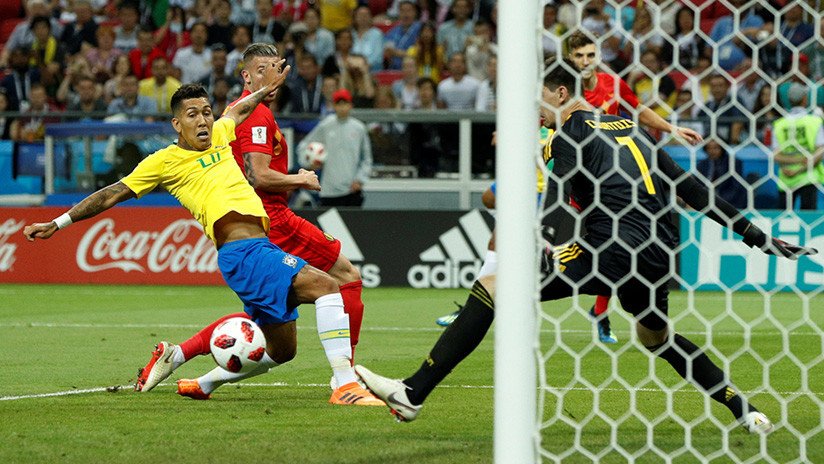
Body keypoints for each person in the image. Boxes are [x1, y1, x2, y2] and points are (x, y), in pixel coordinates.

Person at [355, 61, 816, 431]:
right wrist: (757, 236)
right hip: (660, 252)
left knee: (494, 286)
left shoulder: (568, 133)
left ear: (560, 94)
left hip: (611, 247)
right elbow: (692, 189)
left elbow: (558, 198)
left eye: (536, 98)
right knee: (656, 337)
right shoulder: (631, 127)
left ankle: (412, 392)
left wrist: (548, 244)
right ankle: (745, 410)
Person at [24, 66, 382, 405]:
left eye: (207, 112)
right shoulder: (163, 162)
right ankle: (345, 385)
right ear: (177, 124)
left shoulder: (221, 135)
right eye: (192, 114)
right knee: (328, 286)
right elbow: (112, 193)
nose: (203, 120)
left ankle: (197, 376)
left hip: (258, 247)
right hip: (243, 252)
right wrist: (59, 222)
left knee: (282, 350)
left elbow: (238, 111)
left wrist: (265, 90)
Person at [134, 44, 375, 402]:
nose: (271, 76)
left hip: (257, 223)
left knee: (275, 337)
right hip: (272, 218)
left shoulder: (245, 113)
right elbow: (259, 176)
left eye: (276, 67)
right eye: (262, 70)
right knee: (345, 278)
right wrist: (299, 179)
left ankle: (186, 362)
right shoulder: (256, 115)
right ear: (246, 76)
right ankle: (346, 377)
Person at [568, 30, 703, 342]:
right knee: (598, 244)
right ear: (570, 59)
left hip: (613, 177)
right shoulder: (564, 92)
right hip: (578, 175)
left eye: (591, 55)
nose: (586, 62)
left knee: (609, 242)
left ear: (598, 56)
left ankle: (600, 310)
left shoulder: (612, 84)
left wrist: (671, 127)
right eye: (579, 56)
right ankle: (598, 308)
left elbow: (638, 110)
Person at [297, 88, 372, 206]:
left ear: (350, 105)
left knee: (351, 218)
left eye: (345, 103)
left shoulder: (359, 128)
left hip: (352, 190)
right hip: (328, 190)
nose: (342, 108)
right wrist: (308, 164)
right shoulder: (326, 125)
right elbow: (303, 146)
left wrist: (360, 179)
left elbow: (367, 159)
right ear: (334, 106)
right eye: (338, 104)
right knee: (328, 218)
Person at [771, 83, 824, 211]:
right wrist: (801, 166)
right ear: (805, 99)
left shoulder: (779, 124)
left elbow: (775, 155)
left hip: (786, 176)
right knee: (808, 217)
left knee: (784, 217)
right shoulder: (814, 121)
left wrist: (793, 169)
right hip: (808, 176)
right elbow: (820, 150)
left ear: (789, 100)